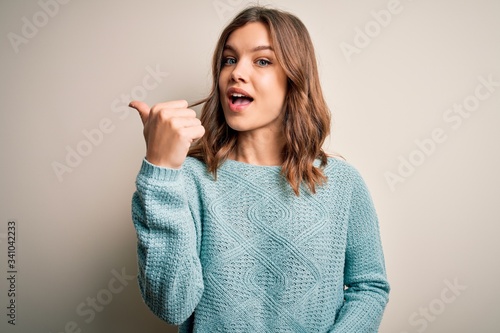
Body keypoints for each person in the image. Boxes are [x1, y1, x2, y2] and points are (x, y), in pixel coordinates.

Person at [129, 5, 390, 333]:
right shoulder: (188, 181)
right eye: (229, 59)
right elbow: (171, 305)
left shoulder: (342, 183)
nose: (237, 72)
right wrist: (160, 171)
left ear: (293, 78)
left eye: (262, 60)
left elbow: (370, 288)